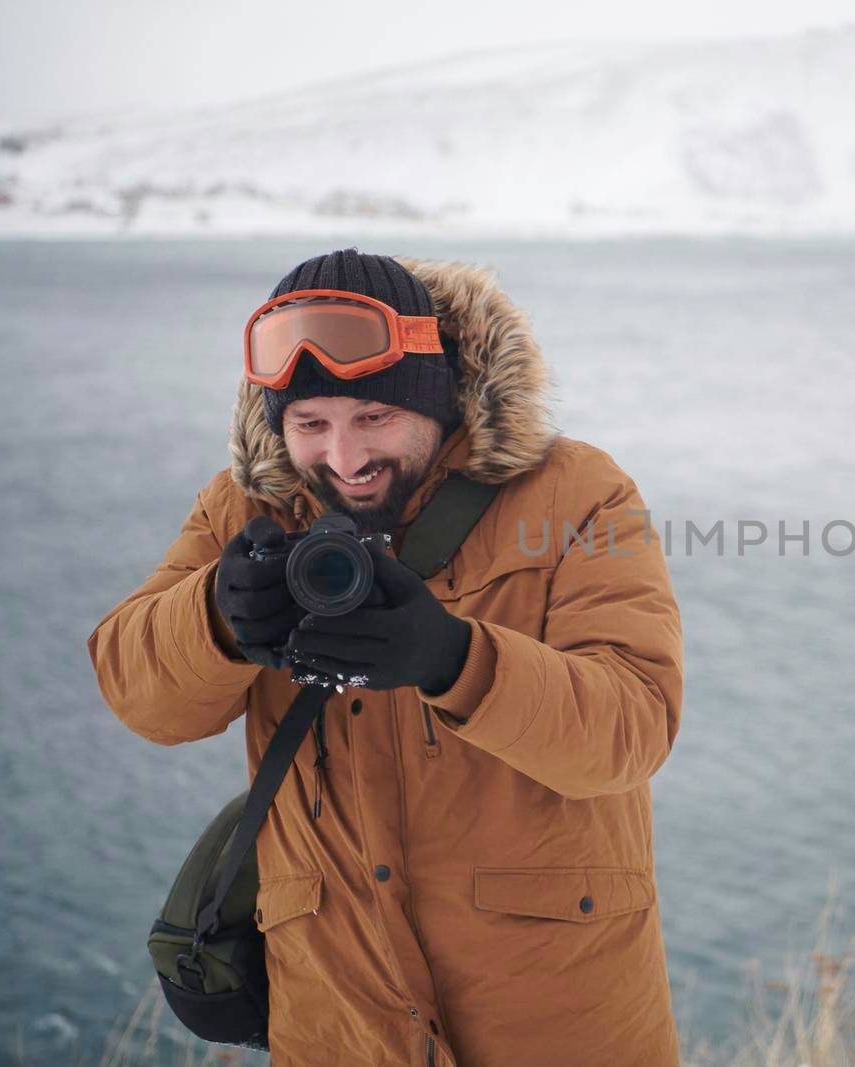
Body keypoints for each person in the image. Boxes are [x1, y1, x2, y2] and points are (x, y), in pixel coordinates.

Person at [86, 248, 685, 1066]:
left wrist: (455, 660)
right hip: (339, 1026)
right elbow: (137, 695)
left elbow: (633, 723)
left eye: (373, 417)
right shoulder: (245, 505)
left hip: (560, 1023)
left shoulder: (574, 492)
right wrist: (215, 619)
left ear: (438, 402)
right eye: (310, 424)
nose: (344, 457)